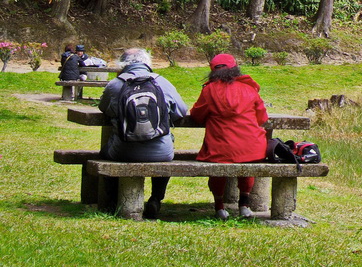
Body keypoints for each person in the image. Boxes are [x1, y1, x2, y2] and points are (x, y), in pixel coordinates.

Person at [99, 47, 188, 220]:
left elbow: (104, 108)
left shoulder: (115, 84)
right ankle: (156, 198)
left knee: (103, 154)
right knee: (166, 148)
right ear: (147, 62)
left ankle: (110, 201)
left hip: (123, 152)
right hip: (161, 152)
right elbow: (181, 110)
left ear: (122, 64)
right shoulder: (162, 82)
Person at [188, 52, 269, 220]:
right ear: (235, 69)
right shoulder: (249, 89)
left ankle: (219, 207)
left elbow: (197, 115)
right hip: (251, 147)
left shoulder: (209, 90)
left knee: (217, 165)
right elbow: (262, 118)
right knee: (247, 162)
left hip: (220, 147)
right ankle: (244, 205)